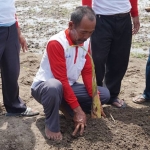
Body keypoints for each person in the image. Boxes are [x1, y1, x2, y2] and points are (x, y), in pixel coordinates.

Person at [31, 6, 110, 140]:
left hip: (68, 86)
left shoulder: (86, 42)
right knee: (54, 87)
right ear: (71, 25)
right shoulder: (57, 43)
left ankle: (64, 105)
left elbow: (87, 72)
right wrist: (78, 111)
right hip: (46, 88)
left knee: (104, 95)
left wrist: (95, 101)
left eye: (91, 33)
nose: (86, 37)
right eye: (83, 32)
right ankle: (51, 125)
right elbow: (61, 80)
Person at [82, 0, 140, 108]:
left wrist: (135, 14)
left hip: (124, 17)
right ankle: (95, 95)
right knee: (97, 59)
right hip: (100, 17)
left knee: (120, 59)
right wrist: (86, 14)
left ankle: (112, 95)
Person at [0, 0, 39, 116]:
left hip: (10, 29)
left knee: (12, 70)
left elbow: (11, 10)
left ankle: (14, 107)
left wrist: (18, 33)